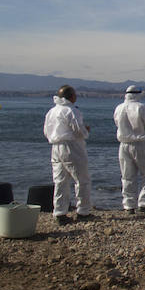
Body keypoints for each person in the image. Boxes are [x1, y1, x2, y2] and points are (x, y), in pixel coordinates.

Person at [43, 85, 93, 225]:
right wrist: (86, 130)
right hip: (71, 147)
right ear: (71, 96)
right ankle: (83, 211)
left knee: (60, 181)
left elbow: (46, 131)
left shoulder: (51, 112)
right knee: (81, 180)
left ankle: (60, 212)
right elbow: (78, 131)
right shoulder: (71, 111)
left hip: (55, 147)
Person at [113, 85, 145, 214]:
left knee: (127, 176)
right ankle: (144, 203)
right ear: (138, 94)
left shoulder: (119, 108)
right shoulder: (142, 107)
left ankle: (128, 205)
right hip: (141, 143)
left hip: (124, 144)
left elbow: (117, 123)